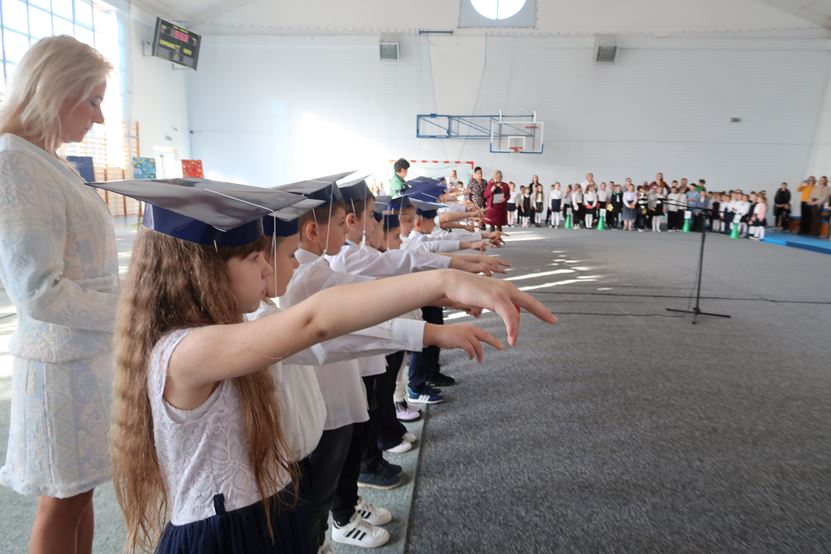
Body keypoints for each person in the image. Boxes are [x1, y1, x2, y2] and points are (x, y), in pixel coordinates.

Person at [106, 179, 556, 553]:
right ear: (204, 272)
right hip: (224, 536)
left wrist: (435, 317)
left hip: (266, 516)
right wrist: (444, 280)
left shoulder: (237, 331)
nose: (267, 269)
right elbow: (316, 320)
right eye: (254, 257)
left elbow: (331, 337)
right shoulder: (182, 353)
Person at [0, 36, 119, 554]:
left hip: (84, 358)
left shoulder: (46, 159)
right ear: (55, 91)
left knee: (79, 493)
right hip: (59, 364)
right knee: (61, 501)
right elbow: (39, 293)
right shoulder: (15, 163)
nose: (99, 117)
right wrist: (130, 311)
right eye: (92, 100)